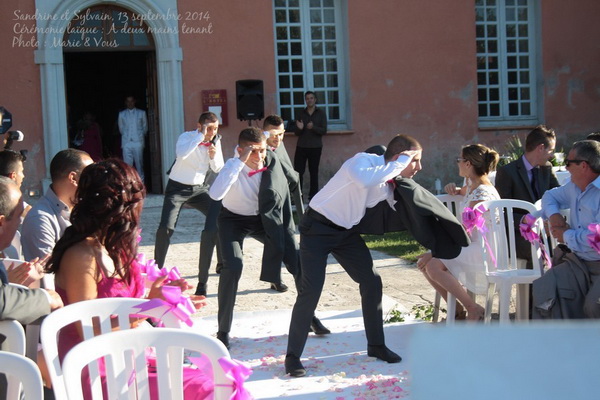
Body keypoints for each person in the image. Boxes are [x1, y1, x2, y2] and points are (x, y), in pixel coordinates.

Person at [45, 159, 212, 399]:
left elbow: (125, 305)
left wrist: (166, 300)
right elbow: (88, 332)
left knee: (219, 380)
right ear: (120, 208)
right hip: (96, 371)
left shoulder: (115, 248)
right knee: (206, 388)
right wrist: (150, 307)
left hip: (126, 358)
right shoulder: (80, 255)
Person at [285, 134, 421, 377]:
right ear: (399, 156)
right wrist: (401, 162)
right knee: (311, 290)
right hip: (316, 229)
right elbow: (365, 180)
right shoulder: (362, 162)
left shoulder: (386, 176)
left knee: (371, 281)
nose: (418, 167)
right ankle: (292, 357)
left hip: (346, 233)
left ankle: (376, 346)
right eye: (415, 160)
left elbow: (397, 204)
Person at [209, 127, 329, 349]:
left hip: (264, 220)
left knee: (296, 259)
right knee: (233, 266)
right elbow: (215, 194)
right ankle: (223, 331)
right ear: (240, 150)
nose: (259, 157)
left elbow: (292, 180)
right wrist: (239, 162)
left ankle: (308, 317)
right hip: (232, 221)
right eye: (253, 152)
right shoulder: (231, 166)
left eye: (262, 151)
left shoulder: (271, 162)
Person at [418, 144, 500, 321]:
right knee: (425, 264)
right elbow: (463, 192)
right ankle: (456, 311)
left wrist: (434, 252)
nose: (458, 163)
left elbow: (462, 231)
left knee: (433, 265)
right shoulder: (473, 186)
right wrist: (455, 190)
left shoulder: (482, 193)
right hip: (472, 245)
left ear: (468, 163)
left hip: (484, 250)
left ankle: (473, 308)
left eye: (459, 160)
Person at [154, 112, 224, 296]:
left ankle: (221, 261)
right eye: (209, 128)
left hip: (199, 189)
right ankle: (157, 267)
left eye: (215, 128)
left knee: (219, 218)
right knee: (166, 227)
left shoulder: (216, 141)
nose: (212, 132)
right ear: (199, 126)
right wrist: (200, 137)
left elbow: (218, 168)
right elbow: (181, 154)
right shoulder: (186, 137)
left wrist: (213, 155)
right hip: (176, 188)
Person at [533, 140, 600, 318]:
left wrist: (566, 235)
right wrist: (554, 215)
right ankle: (558, 344)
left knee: (594, 307)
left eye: (568, 163)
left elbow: (597, 237)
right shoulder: (574, 187)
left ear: (583, 166)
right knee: (545, 292)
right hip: (578, 262)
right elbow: (549, 196)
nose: (565, 167)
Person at [495, 125, 560, 265]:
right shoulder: (507, 172)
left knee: (568, 246)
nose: (552, 155)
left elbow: (558, 196)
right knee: (537, 248)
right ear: (540, 148)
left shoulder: (547, 168)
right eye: (551, 150)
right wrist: (526, 220)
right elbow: (500, 212)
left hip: (546, 232)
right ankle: (537, 287)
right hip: (517, 235)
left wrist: (550, 220)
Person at [21, 149, 93, 261]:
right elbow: (47, 273)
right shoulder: (40, 219)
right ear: (73, 178)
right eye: (90, 176)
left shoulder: (84, 211)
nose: (95, 183)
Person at [293, 91, 327, 201]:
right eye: (307, 98)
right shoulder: (301, 113)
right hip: (302, 146)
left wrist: (313, 127)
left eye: (311, 98)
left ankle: (313, 197)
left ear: (315, 99)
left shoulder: (321, 113)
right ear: (305, 100)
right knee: (298, 172)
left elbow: (324, 130)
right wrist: (300, 128)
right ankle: (298, 196)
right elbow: (296, 133)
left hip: (315, 147)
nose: (309, 100)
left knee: (314, 172)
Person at [118, 96, 148, 181]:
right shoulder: (122, 114)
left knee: (139, 164)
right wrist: (126, 136)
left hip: (138, 141)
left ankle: (141, 184)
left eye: (131, 101)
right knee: (127, 165)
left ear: (134, 102)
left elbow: (145, 127)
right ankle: (129, 183)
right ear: (126, 103)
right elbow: (121, 128)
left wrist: (140, 136)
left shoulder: (141, 113)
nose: (130, 103)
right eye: (128, 101)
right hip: (126, 142)